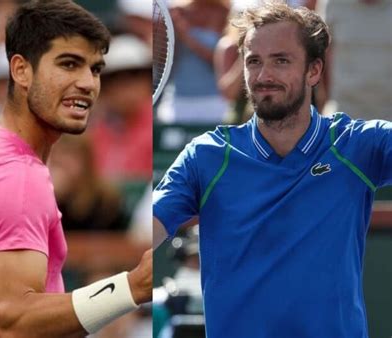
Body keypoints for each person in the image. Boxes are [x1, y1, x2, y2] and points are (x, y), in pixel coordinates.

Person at [153, 2, 391, 338]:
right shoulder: (205, 156)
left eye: (281, 60)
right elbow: (149, 229)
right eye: (254, 61)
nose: (264, 76)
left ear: (314, 70)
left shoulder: (360, 145)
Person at [0, 1, 151, 337]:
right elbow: (15, 320)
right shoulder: (17, 177)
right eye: (69, 64)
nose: (87, 83)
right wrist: (132, 287)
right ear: (21, 70)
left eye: (95, 69)